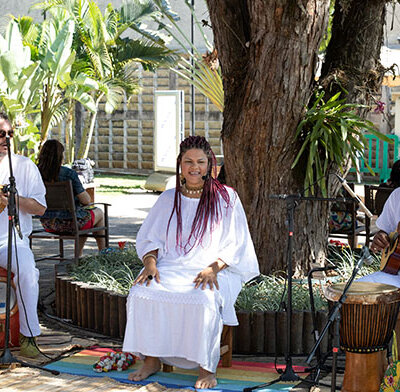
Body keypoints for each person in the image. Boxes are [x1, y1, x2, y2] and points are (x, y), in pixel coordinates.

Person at [123, 136, 259, 389]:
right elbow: (150, 237)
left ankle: (207, 368)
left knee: (204, 298)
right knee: (142, 291)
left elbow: (236, 244)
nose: (194, 167)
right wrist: (151, 263)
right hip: (171, 266)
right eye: (188, 161)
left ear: (210, 165)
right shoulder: (167, 198)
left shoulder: (226, 198)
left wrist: (213, 267)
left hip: (215, 269)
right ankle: (151, 359)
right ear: (180, 164)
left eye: (200, 161)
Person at [0, 112, 47, 358]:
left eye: (9, 134)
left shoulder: (24, 166)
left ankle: (28, 336)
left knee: (28, 271)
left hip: (11, 241)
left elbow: (40, 208)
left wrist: (14, 200)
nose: (6, 138)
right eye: (0, 134)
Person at [37, 139, 106, 255]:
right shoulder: (69, 174)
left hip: (47, 223)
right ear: (60, 156)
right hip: (70, 224)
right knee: (97, 213)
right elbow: (86, 200)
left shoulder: (36, 173)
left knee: (83, 217)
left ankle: (80, 255)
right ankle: (101, 253)